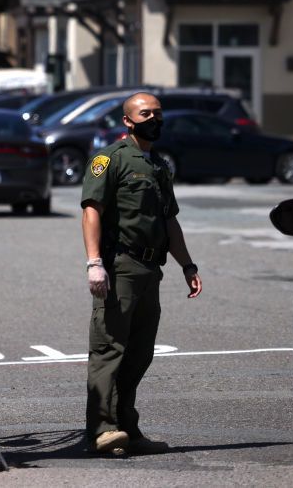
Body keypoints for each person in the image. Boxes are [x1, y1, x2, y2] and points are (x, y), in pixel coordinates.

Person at [80, 92, 202, 456]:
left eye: (158, 114)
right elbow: (91, 210)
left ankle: (126, 429)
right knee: (109, 349)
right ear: (128, 121)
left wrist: (188, 265)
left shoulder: (159, 165)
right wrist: (94, 263)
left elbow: (169, 219)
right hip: (120, 266)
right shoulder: (110, 159)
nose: (155, 119)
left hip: (152, 268)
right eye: (146, 114)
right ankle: (102, 428)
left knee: (139, 353)